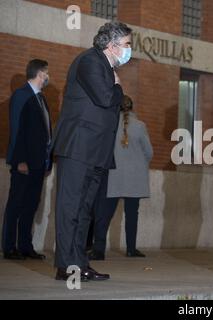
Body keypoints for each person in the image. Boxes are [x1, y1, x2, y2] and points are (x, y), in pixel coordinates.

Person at [51, 21, 132, 281]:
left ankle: (79, 262)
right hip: (78, 147)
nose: (130, 50)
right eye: (127, 44)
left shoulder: (105, 66)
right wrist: (118, 87)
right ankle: (65, 265)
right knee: (70, 207)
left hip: (95, 150)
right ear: (112, 45)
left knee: (84, 209)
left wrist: (117, 88)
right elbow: (106, 98)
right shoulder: (90, 61)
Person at [88, 95, 153, 260]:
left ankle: (99, 250)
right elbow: (149, 153)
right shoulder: (140, 126)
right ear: (132, 108)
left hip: (113, 175)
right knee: (132, 214)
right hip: (134, 178)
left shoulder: (110, 125)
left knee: (104, 215)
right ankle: (131, 249)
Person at [2, 59, 52, 260]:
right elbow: (16, 130)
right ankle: (8, 247)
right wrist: (21, 160)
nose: (49, 76)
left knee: (31, 205)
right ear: (39, 73)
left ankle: (25, 246)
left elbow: (45, 132)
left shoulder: (42, 99)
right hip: (24, 163)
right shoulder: (21, 95)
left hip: (39, 163)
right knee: (16, 204)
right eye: (47, 72)